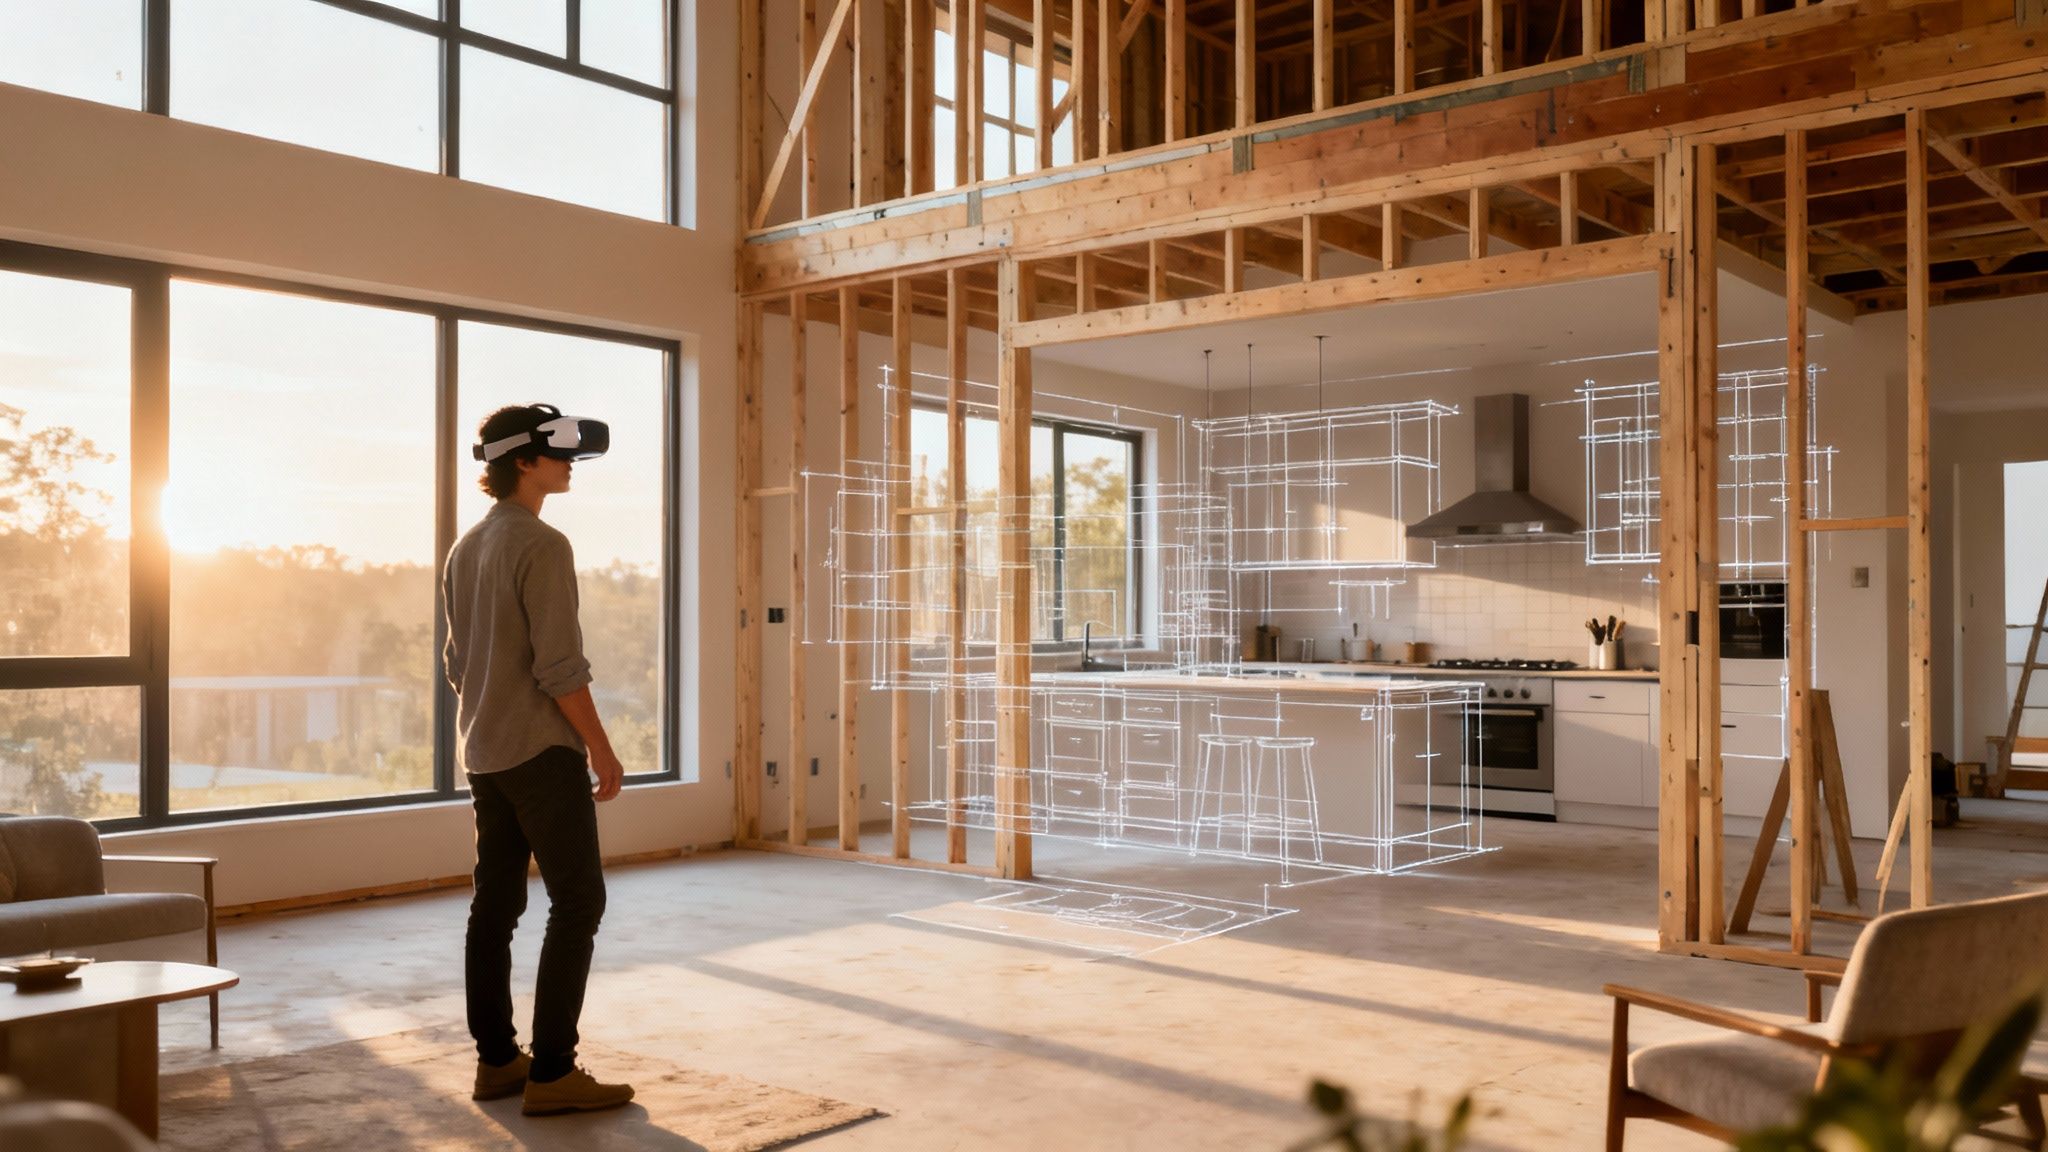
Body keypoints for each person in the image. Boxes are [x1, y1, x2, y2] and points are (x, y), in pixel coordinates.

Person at [443, 402, 634, 1116]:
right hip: (538, 753)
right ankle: (553, 1071)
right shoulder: (542, 544)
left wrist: (494, 710)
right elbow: (560, 668)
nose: (570, 465)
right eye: (561, 456)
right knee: (579, 900)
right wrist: (601, 748)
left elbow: (458, 664)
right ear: (524, 461)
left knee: (495, 905)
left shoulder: (468, 547)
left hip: (485, 753)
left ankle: (497, 1062)